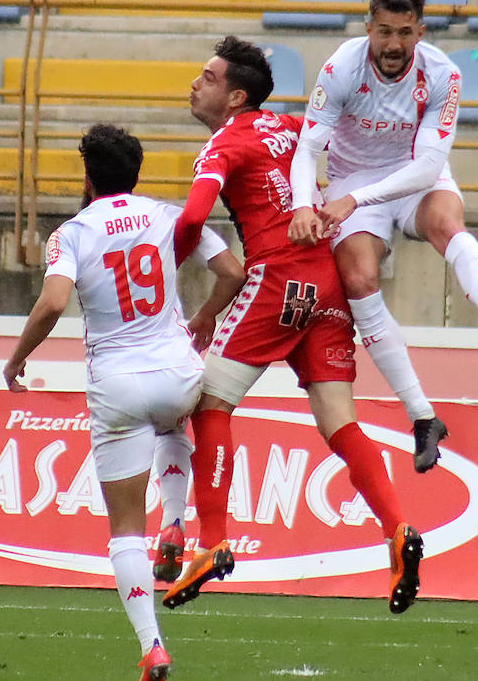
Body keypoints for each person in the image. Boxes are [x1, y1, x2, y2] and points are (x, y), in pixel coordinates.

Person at [162, 35, 424, 616]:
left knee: (209, 404)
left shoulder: (224, 145)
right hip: (326, 280)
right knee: (340, 422)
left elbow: (193, 218)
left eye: (206, 77)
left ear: (234, 97)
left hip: (276, 277)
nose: (194, 84)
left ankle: (211, 542)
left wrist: (167, 272)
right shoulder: (289, 124)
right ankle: (396, 529)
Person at [3, 123, 244, 681]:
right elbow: (232, 271)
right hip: (177, 370)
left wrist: (17, 359)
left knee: (123, 530)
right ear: (136, 173)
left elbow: (52, 303)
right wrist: (204, 318)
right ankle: (177, 521)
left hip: (116, 382)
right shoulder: (171, 215)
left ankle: (152, 647)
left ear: (88, 176)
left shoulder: (73, 233)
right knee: (173, 431)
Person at [287, 0, 478, 473]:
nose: (393, 45)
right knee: (358, 279)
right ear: (369, 27)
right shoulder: (341, 67)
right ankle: (422, 415)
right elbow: (309, 147)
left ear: (421, 31)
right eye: (385, 32)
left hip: (411, 175)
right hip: (354, 178)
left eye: (405, 33)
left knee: (445, 221)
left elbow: (426, 165)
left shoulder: (443, 75)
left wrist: (353, 199)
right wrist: (305, 205)